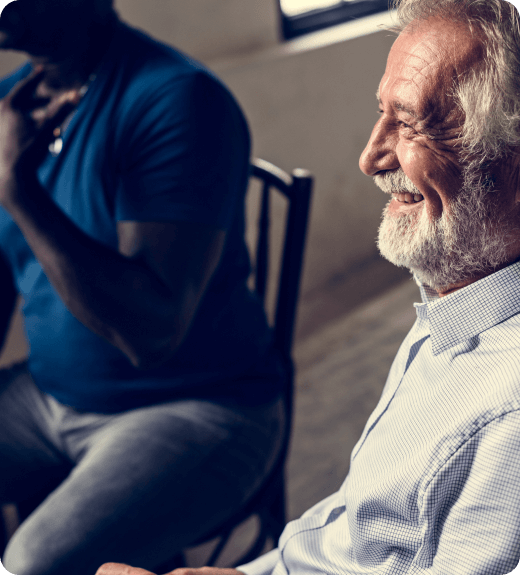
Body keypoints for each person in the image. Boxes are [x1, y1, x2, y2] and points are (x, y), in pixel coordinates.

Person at [98, 0, 520, 574]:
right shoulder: (458, 307)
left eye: (414, 122)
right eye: (381, 114)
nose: (370, 157)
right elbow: (356, 529)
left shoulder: (508, 418)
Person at [0, 1, 286, 575]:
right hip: (49, 395)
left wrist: (17, 188)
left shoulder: (178, 100)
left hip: (199, 407)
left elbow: (151, 332)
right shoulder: (14, 102)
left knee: (34, 562)